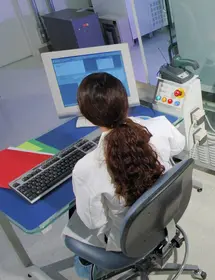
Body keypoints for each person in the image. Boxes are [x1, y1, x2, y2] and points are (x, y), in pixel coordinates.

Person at [63, 72, 185, 276]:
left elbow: (94, 223)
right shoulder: (161, 126)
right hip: (164, 216)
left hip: (126, 242)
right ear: (125, 103)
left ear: (87, 116)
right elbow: (179, 146)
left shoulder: (85, 169)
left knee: (74, 228)